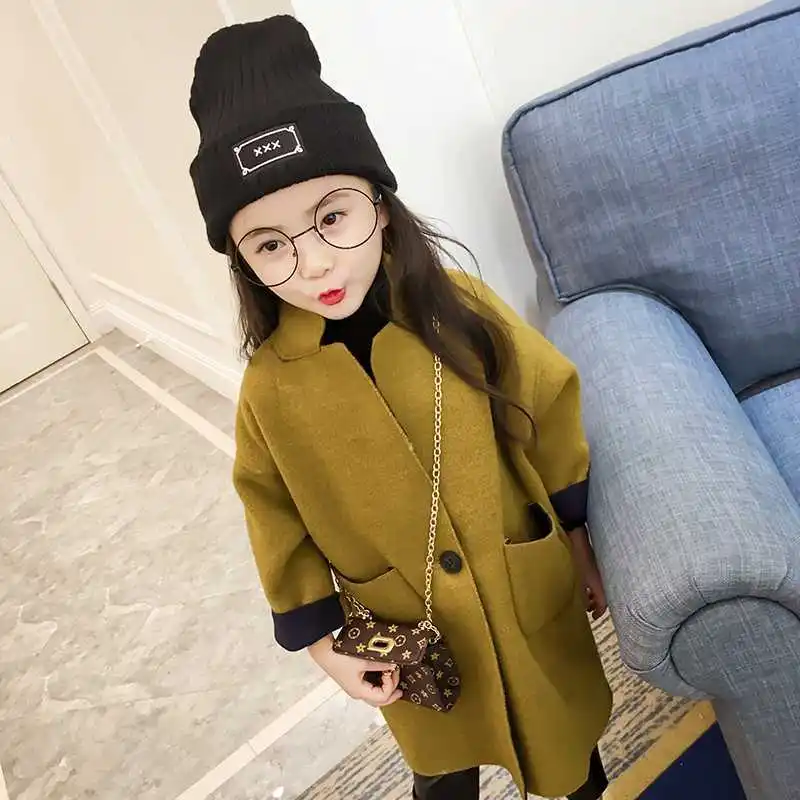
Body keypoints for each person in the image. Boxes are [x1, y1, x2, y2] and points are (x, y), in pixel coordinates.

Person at [188, 15, 613, 800]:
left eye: (331, 217)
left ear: (379, 206)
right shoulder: (271, 391)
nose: (313, 262)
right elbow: (273, 517)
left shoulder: (461, 309)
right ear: (243, 261)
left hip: (524, 586)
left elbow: (548, 406)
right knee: (443, 772)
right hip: (408, 632)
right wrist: (323, 645)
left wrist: (581, 539)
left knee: (567, 747)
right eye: (271, 244)